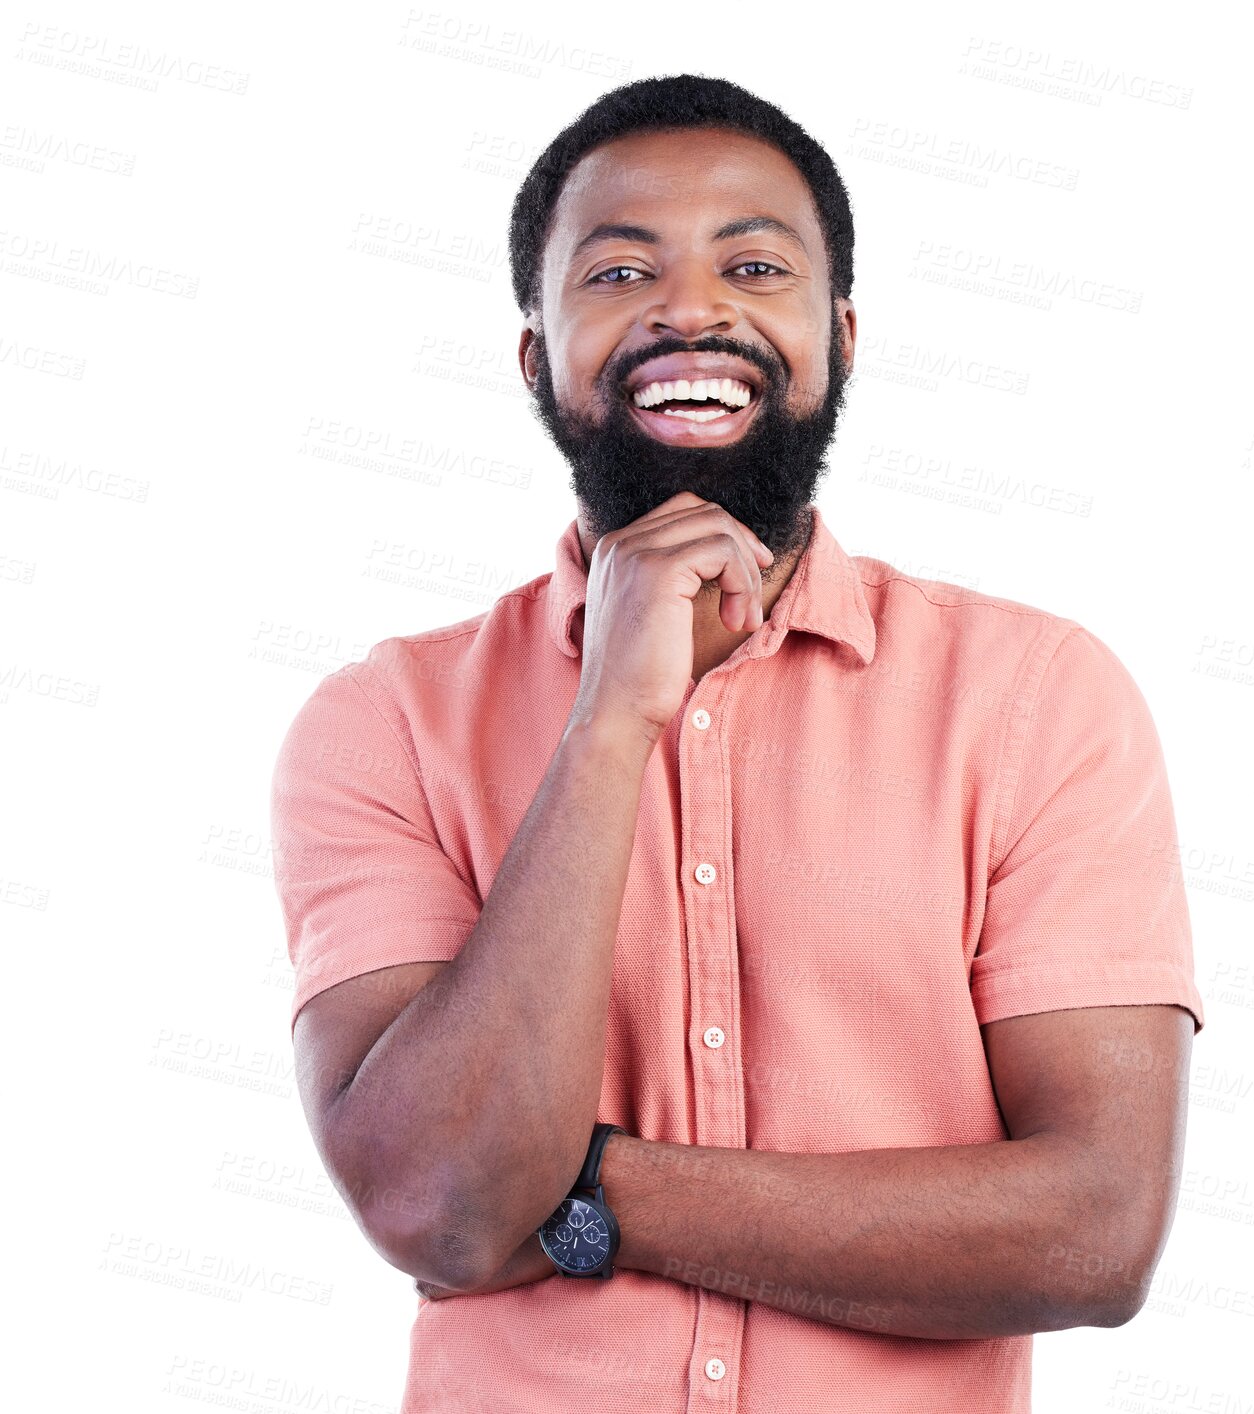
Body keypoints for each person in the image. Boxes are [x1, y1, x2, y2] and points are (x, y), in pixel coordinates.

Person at [270, 73, 1205, 1414]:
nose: (691, 308)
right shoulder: (384, 722)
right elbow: (438, 1202)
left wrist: (588, 1187)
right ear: (537, 355)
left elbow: (1093, 1229)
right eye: (617, 270)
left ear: (836, 336)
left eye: (752, 264)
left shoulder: (1037, 696)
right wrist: (610, 723)